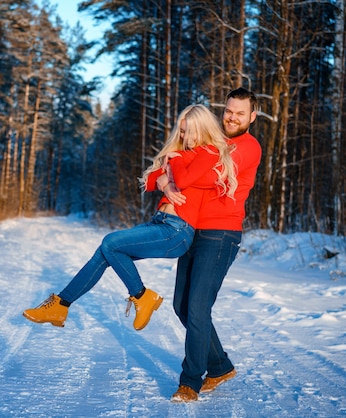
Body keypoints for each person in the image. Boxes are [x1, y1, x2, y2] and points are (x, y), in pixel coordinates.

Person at [23, 104, 238, 331]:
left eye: (190, 131)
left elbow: (183, 180)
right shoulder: (182, 154)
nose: (185, 137)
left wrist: (172, 164)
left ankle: (142, 296)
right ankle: (61, 305)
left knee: (110, 242)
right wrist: (165, 183)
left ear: (203, 128)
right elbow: (150, 179)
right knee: (104, 253)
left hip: (177, 231)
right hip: (160, 223)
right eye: (182, 131)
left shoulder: (208, 152)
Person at [153, 88, 262, 402]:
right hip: (193, 228)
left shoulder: (248, 147)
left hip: (221, 232)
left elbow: (204, 175)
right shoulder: (212, 141)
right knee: (182, 306)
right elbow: (174, 159)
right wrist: (164, 177)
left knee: (198, 307)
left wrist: (172, 173)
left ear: (252, 117)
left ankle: (190, 382)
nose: (232, 117)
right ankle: (220, 365)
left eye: (240, 113)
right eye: (229, 110)